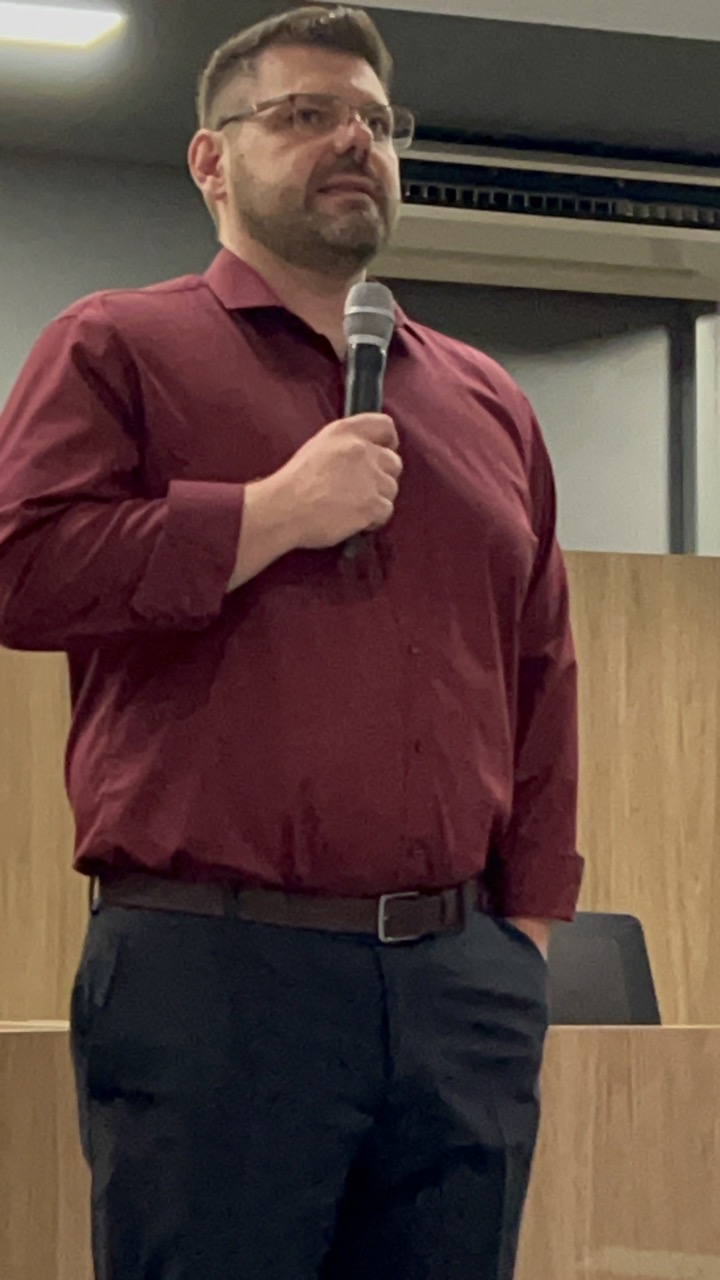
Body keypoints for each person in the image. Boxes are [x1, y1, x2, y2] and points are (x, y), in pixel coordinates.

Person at [0, 6, 583, 1278]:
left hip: (460, 989)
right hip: (218, 974)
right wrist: (263, 515)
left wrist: (524, 935)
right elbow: (20, 569)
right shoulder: (115, 345)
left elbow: (540, 670)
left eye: (374, 120)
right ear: (211, 161)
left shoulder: (488, 400)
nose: (353, 141)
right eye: (306, 114)